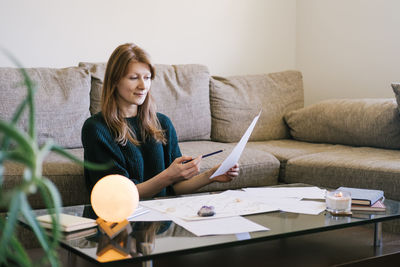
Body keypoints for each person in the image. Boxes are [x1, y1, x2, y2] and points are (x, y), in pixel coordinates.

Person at [81, 43, 239, 199]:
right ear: (114, 81)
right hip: (124, 217)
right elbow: (121, 195)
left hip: (162, 216)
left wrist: (211, 175)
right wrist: (168, 176)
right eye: (134, 78)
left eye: (147, 78)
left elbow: (175, 188)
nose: (143, 85)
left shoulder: (162, 123)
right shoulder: (96, 129)